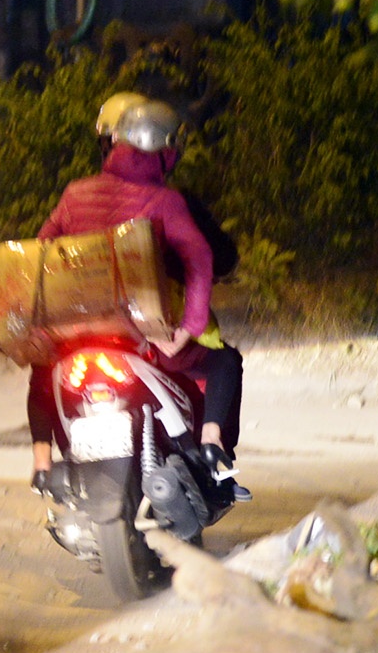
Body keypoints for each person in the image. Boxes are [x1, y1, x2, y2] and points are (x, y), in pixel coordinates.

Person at [28, 97, 246, 493]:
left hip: (78, 335)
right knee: (225, 362)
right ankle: (212, 446)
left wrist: (42, 327)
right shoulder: (167, 201)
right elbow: (201, 257)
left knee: (43, 373)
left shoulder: (75, 193)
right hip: (143, 338)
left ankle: (42, 464)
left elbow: (40, 253)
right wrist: (188, 327)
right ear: (165, 153)